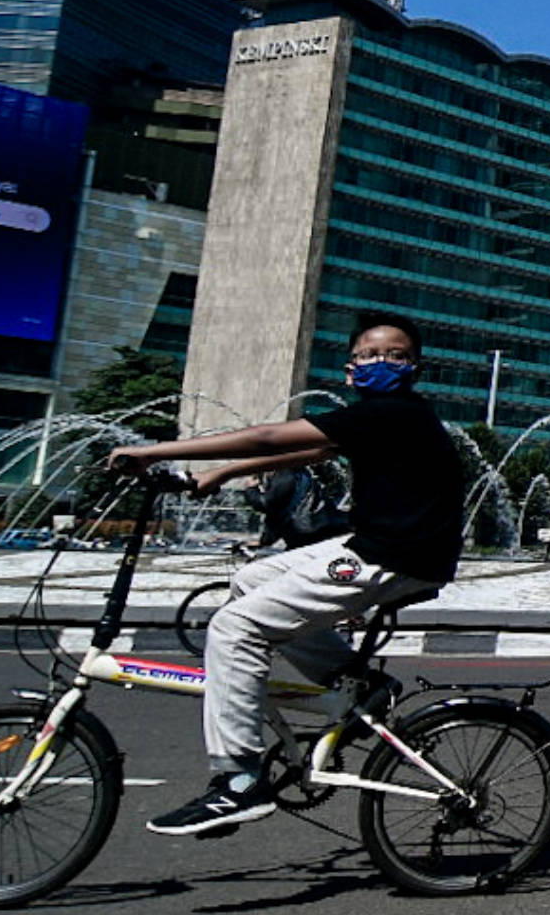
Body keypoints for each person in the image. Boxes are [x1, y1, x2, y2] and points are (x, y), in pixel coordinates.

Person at [107, 313, 469, 835]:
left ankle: (237, 780)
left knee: (234, 628)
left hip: (393, 557)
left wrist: (152, 451)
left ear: (416, 368)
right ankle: (356, 682)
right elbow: (320, 447)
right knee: (249, 582)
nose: (382, 362)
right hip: (375, 545)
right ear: (350, 370)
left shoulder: (396, 412)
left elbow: (268, 436)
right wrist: (223, 474)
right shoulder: (375, 417)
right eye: (370, 354)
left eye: (397, 355)